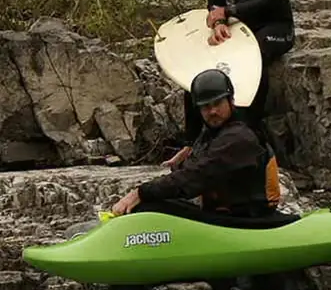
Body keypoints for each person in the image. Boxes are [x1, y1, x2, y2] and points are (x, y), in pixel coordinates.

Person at [110, 69, 282, 226]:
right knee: (149, 206)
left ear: (231, 101)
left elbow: (194, 177)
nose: (212, 111)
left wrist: (141, 192)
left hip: (251, 221)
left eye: (218, 103)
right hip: (223, 216)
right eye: (206, 106)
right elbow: (187, 170)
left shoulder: (239, 137)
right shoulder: (212, 133)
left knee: (149, 207)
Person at [176, 0, 296, 150]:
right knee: (203, 63)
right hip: (242, 26)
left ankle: (248, 134)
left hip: (276, 27)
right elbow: (215, 3)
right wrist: (218, 24)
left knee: (252, 57)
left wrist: (230, 11)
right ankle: (190, 145)